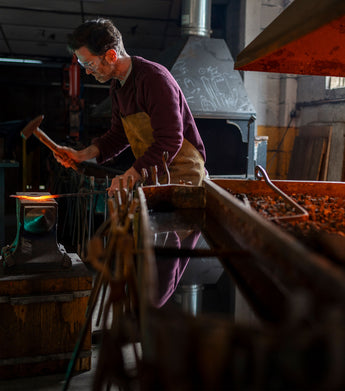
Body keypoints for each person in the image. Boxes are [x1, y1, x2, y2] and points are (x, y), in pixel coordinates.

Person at [55, 18, 206, 196]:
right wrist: (80, 155)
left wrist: (130, 176)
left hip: (185, 178)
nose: (87, 71)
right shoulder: (118, 86)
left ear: (111, 55)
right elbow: (118, 136)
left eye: (90, 64)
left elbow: (170, 140)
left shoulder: (153, 79)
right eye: (83, 66)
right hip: (158, 178)